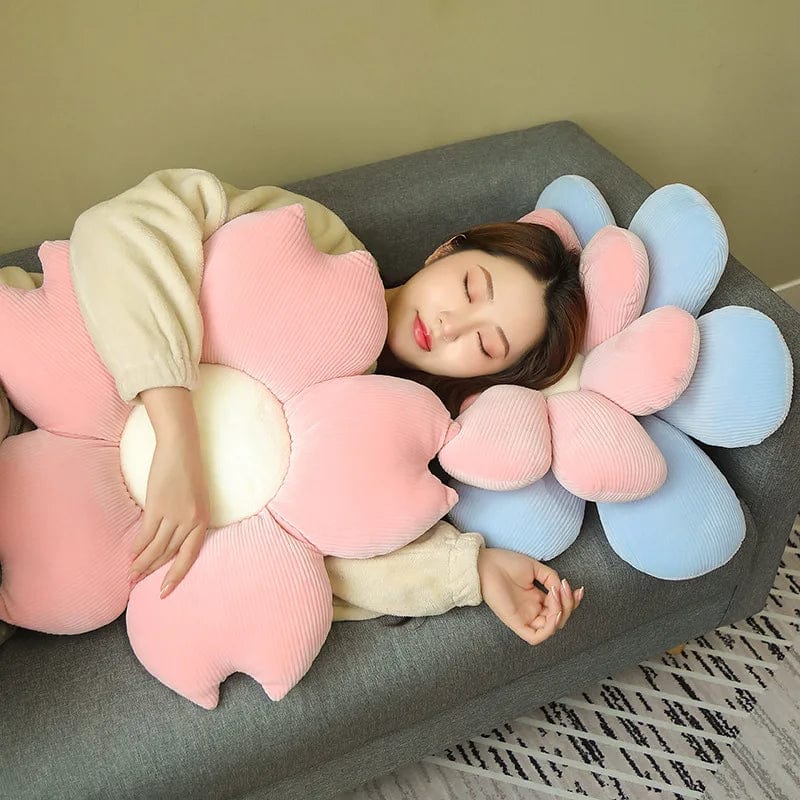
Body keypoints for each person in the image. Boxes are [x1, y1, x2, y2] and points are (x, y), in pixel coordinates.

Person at [0, 168, 586, 650]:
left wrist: (473, 572)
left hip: (47, 537)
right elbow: (123, 226)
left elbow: (306, 551)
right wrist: (176, 440)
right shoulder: (311, 240)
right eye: (469, 288)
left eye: (484, 345)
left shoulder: (383, 431)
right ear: (445, 250)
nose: (451, 325)